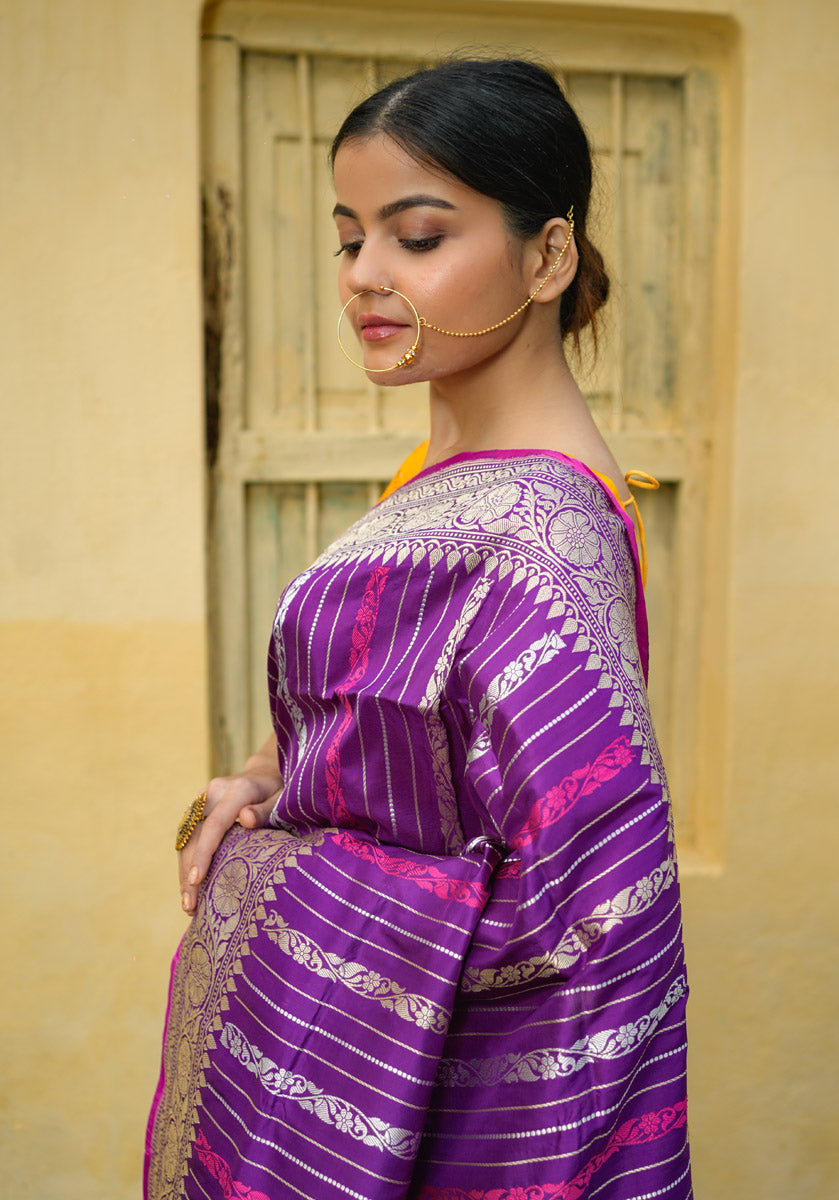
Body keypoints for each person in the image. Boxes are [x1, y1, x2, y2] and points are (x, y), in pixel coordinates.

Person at [146, 57, 692, 1199]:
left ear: (546, 256)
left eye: (419, 236)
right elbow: (380, 737)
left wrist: (288, 889)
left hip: (446, 1131)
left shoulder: (545, 537)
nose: (365, 278)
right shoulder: (434, 475)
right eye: (351, 239)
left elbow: (588, 923)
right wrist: (260, 780)